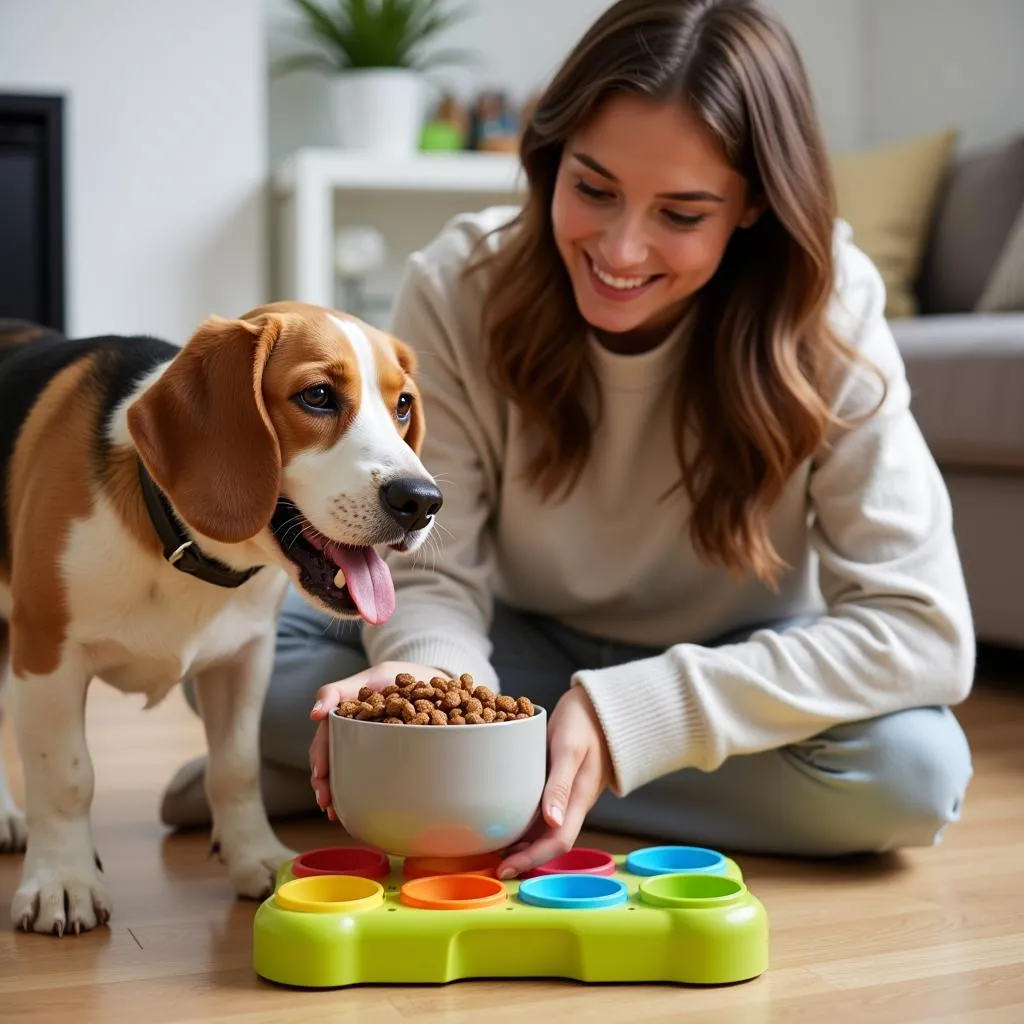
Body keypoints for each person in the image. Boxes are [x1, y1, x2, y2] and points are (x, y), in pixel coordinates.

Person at [161, 0, 974, 878]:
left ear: (750, 208)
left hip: (730, 665)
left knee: (911, 774)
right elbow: (433, 570)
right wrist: (422, 693)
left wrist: (632, 715)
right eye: (591, 189)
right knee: (235, 641)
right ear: (549, 160)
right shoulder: (459, 283)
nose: (621, 250)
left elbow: (920, 628)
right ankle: (498, 771)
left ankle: (417, 781)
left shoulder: (830, 307)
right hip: (509, 646)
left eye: (683, 213)